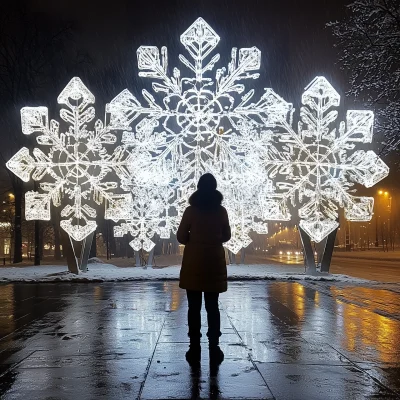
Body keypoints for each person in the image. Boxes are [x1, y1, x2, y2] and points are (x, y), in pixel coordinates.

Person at [177, 173, 231, 366]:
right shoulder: (221, 211)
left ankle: (194, 346)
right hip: (213, 262)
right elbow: (227, 235)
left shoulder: (191, 211)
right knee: (212, 306)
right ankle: (214, 345)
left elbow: (181, 237)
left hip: (194, 263)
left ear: (198, 188)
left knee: (193, 307)